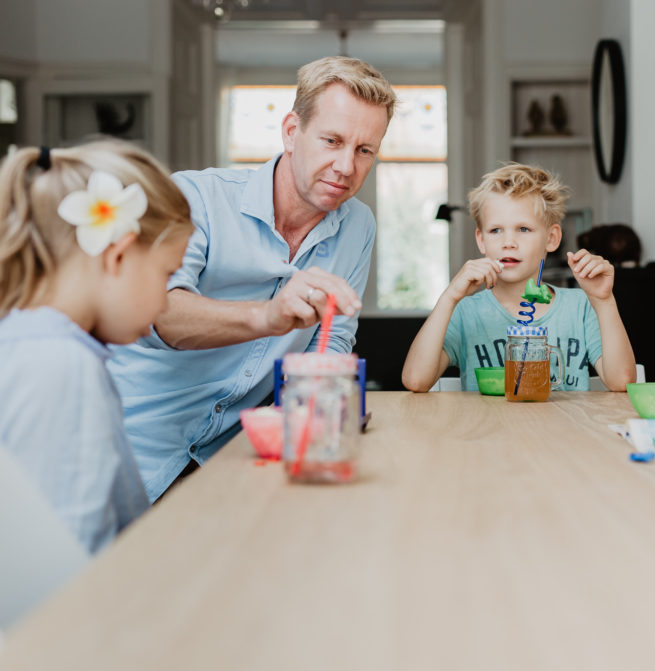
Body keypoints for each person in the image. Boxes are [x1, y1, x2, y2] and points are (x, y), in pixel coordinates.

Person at [108, 56, 397, 501]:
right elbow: (161, 313)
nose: (346, 166)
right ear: (291, 132)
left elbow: (334, 337)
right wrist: (270, 316)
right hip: (134, 455)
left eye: (364, 150)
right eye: (332, 140)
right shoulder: (196, 197)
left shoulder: (358, 225)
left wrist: (316, 407)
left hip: (239, 458)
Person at [0, 141, 194, 552]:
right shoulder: (60, 365)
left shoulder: (29, 345)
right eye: (167, 274)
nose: (164, 302)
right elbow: (69, 563)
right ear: (117, 256)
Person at [401, 163, 636, 392]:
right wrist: (449, 297)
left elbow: (622, 381)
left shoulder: (580, 306)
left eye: (523, 229)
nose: (508, 243)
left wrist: (604, 301)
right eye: (495, 230)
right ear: (481, 240)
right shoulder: (466, 312)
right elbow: (415, 379)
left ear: (552, 238)